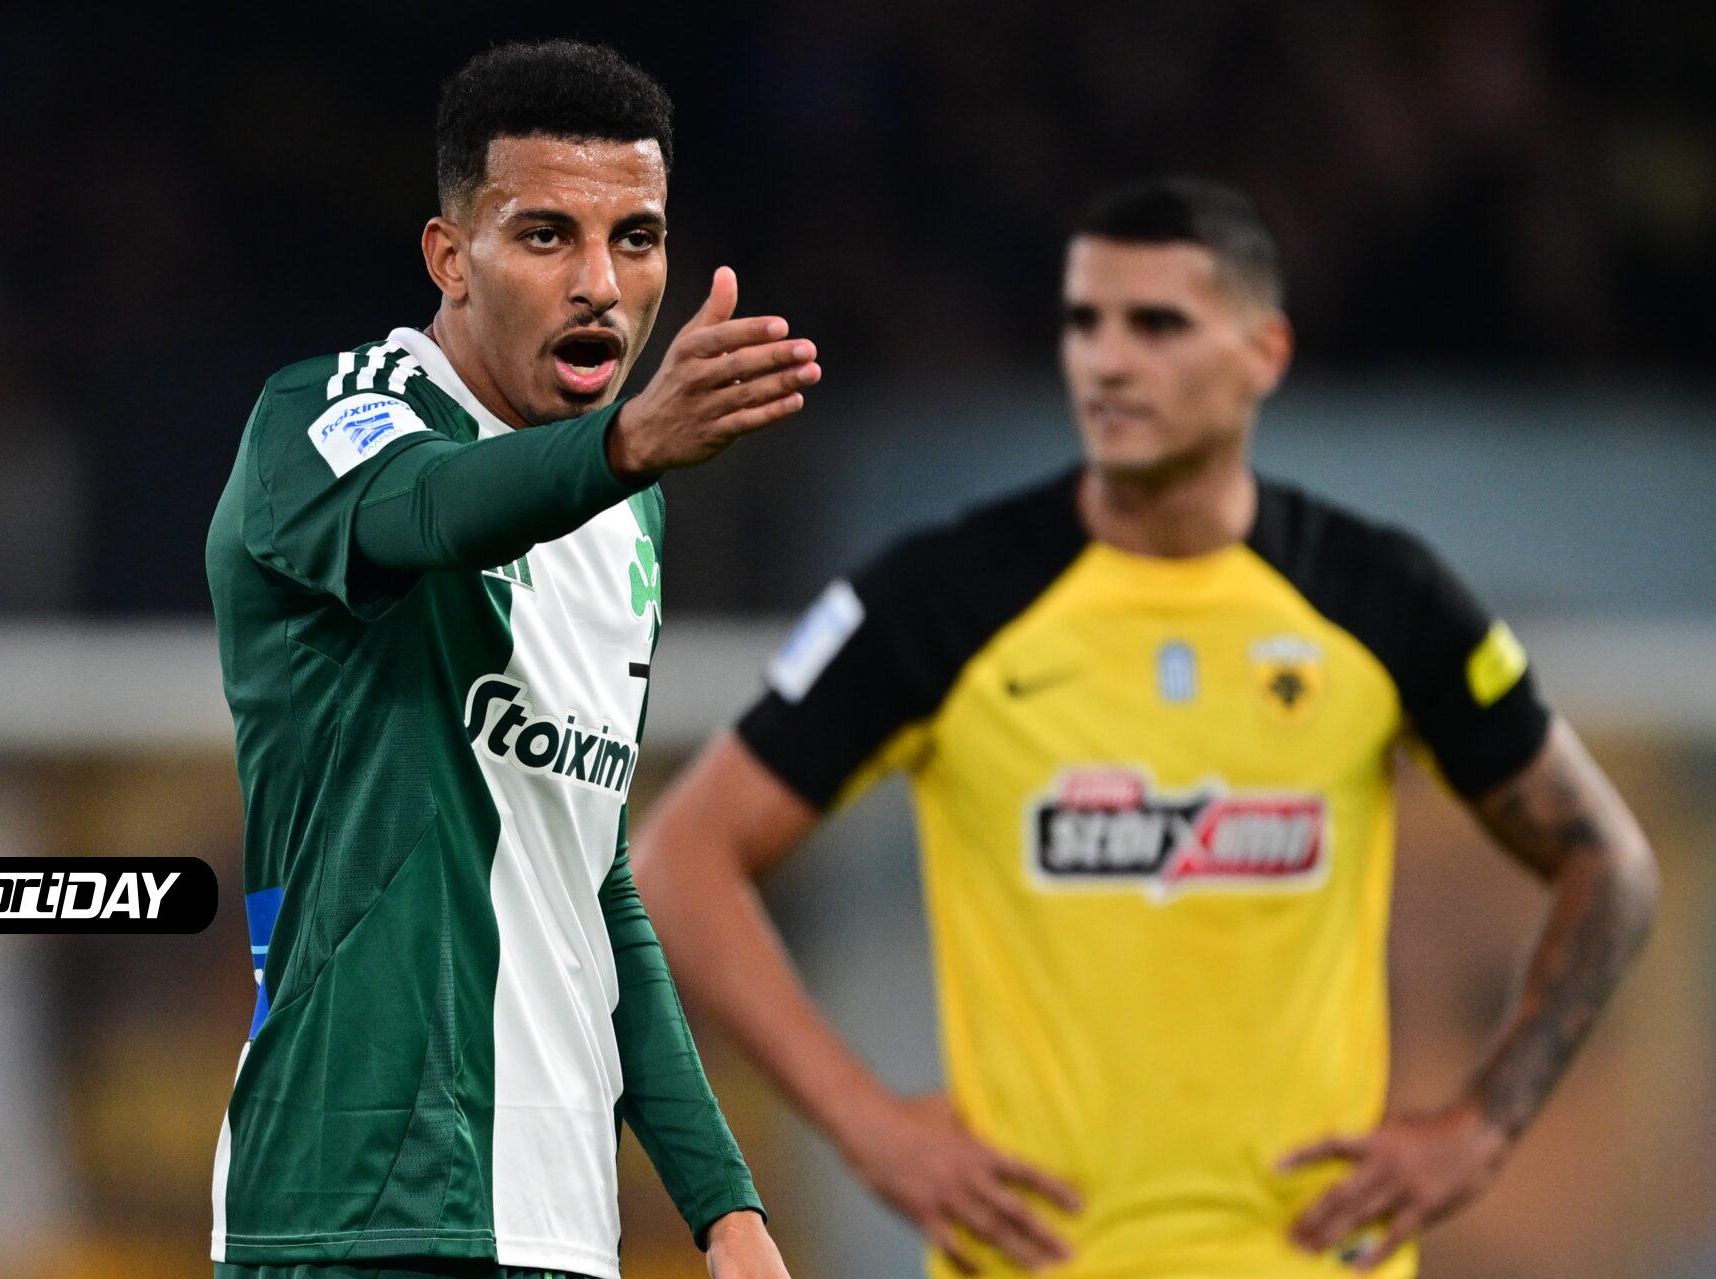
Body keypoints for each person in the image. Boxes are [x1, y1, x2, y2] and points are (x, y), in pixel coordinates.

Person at [633, 178, 1658, 1278]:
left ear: (1264, 352)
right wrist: (867, 1125)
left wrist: (1483, 1127)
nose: (1108, 361)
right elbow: (680, 858)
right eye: (1086, 322)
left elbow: (1613, 866)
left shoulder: (1379, 597)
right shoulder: (946, 600)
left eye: (1157, 324)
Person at [205, 40, 816, 1279]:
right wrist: (627, 445)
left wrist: (724, 1207)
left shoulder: (625, 513)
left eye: (635, 239)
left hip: (559, 1220)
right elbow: (427, 512)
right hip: (356, 1211)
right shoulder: (326, 420)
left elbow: (591, 881)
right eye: (546, 236)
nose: (600, 284)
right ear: (451, 257)